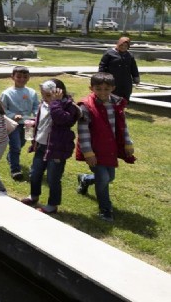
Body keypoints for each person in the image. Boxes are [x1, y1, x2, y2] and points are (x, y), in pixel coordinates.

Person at [76, 72, 135, 222]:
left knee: (110, 177)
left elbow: (122, 126)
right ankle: (105, 209)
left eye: (106, 89)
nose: (103, 92)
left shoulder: (117, 103)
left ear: (113, 88)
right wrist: (88, 152)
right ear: (91, 88)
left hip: (110, 147)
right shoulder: (86, 106)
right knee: (103, 179)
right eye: (98, 89)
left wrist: (128, 142)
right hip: (95, 149)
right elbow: (83, 131)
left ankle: (86, 179)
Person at [20, 79, 80, 214]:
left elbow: (62, 120)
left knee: (53, 178)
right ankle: (34, 196)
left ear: (59, 93)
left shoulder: (69, 106)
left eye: (47, 95)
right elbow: (43, 119)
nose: (44, 98)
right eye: (43, 95)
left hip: (57, 148)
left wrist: (55, 103)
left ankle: (52, 205)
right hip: (41, 145)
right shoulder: (44, 103)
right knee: (34, 173)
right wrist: (34, 123)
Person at [0, 66, 39, 181]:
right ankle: (15, 170)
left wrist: (37, 115)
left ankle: (10, 156)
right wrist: (12, 115)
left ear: (29, 78)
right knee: (15, 146)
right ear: (12, 77)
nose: (22, 79)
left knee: (22, 143)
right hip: (14, 124)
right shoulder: (7, 93)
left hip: (28, 123)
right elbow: (2, 109)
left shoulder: (32, 92)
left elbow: (36, 106)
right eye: (19, 77)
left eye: (25, 77)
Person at [98, 37, 140, 101]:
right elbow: (102, 65)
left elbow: (133, 68)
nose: (123, 47)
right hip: (112, 79)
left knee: (125, 94)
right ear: (118, 44)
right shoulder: (109, 53)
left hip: (126, 81)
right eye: (121, 45)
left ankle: (121, 108)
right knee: (112, 94)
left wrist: (136, 78)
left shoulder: (129, 55)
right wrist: (100, 77)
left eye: (126, 46)